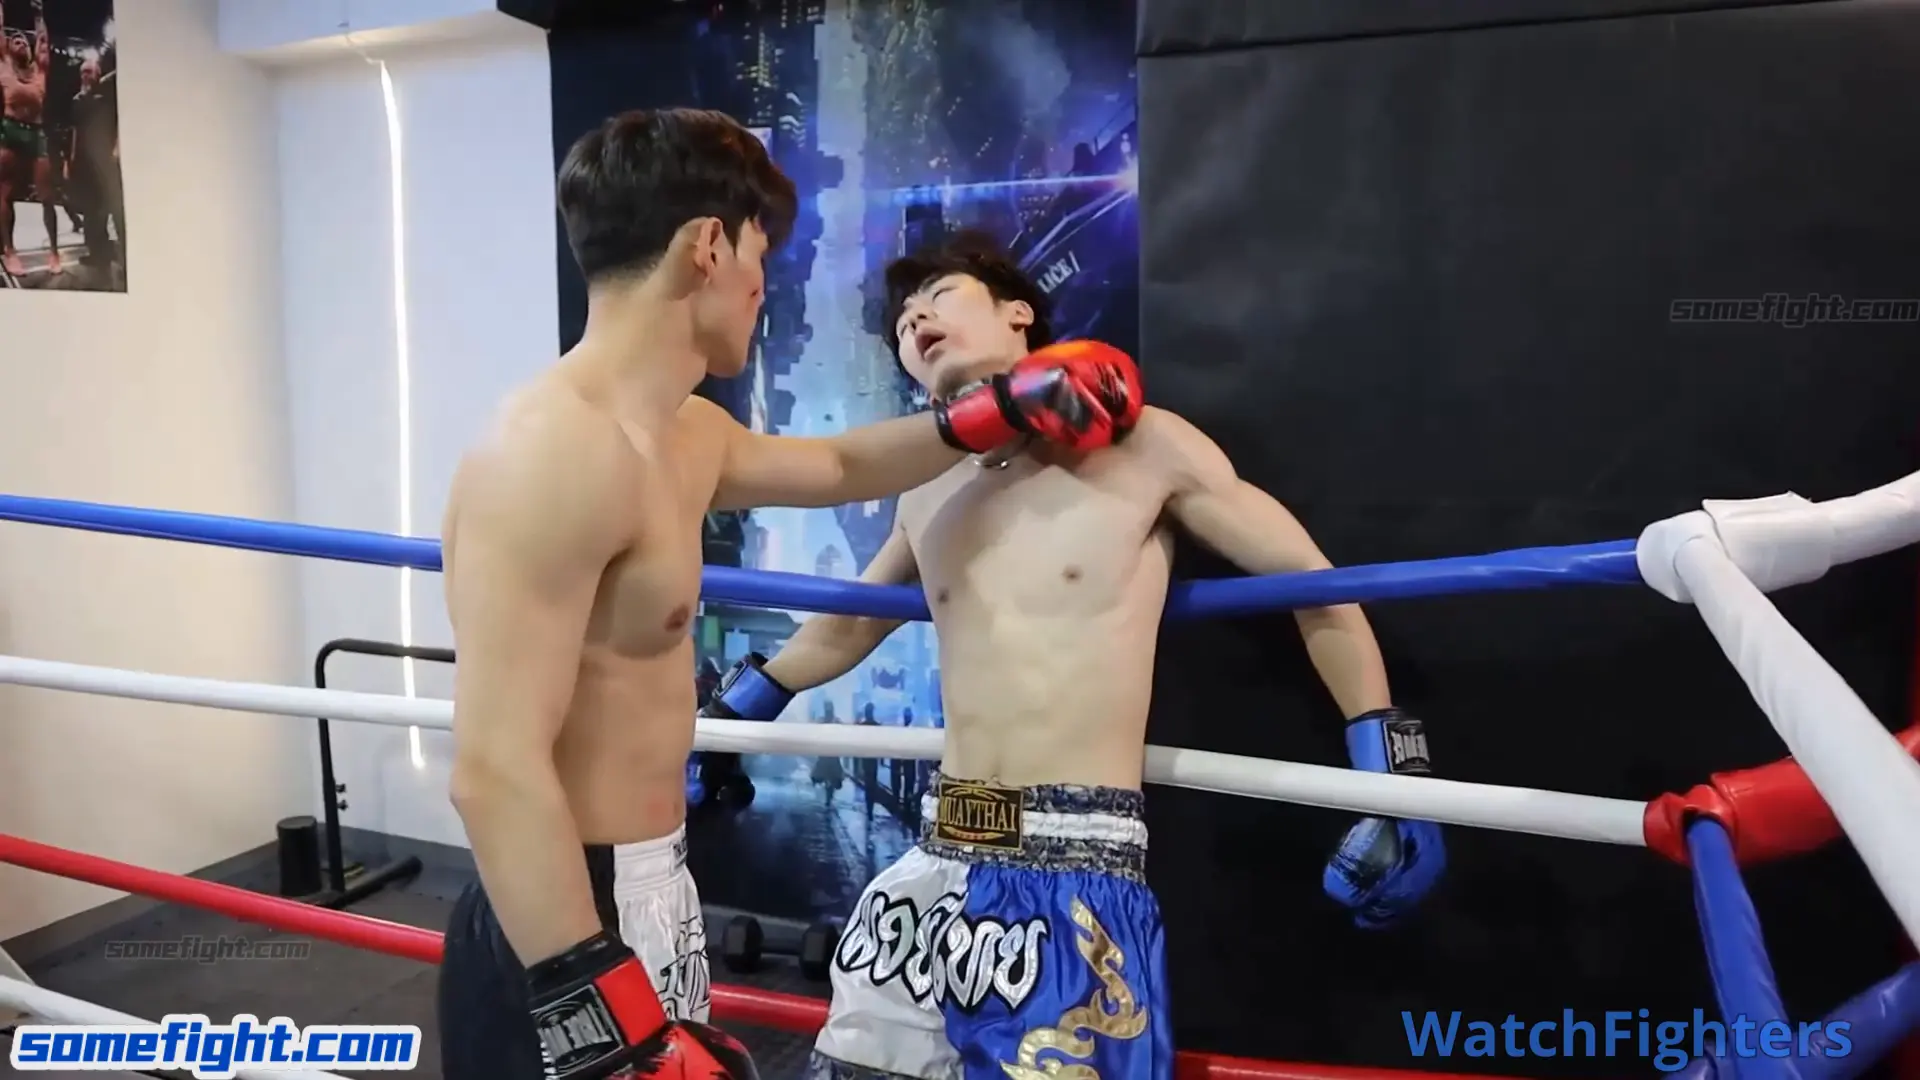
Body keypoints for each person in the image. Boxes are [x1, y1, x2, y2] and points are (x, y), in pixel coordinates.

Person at [436, 112, 1145, 1080]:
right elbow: (493, 769)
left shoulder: (685, 434)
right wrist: (607, 1012)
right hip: (559, 913)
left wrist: (1001, 406)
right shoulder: (552, 451)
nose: (763, 286)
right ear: (708, 245)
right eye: (759, 253)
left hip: (650, 881)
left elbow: (842, 463)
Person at [702, 231, 1446, 1080]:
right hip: (937, 854)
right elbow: (846, 627)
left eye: (939, 296)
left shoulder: (1145, 446)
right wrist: (725, 719)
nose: (915, 322)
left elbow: (1314, 585)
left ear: (1019, 312)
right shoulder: (926, 488)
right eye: (902, 324)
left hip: (1075, 865)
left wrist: (1394, 772)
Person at [0, 0, 58, 278]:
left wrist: (39, 13)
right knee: (4, 193)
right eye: (14, 40)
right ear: (8, 49)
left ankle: (54, 251)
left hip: (36, 133)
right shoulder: (4, 66)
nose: (20, 41)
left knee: (47, 196)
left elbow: (43, 40)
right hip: (10, 130)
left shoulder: (40, 70)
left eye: (24, 39)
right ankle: (9, 250)